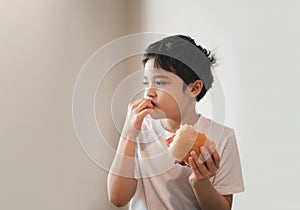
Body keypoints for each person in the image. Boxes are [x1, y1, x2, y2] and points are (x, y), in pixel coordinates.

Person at [107, 35, 244, 210]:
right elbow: (117, 198)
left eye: (159, 82)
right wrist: (128, 134)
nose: (149, 92)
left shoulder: (222, 137)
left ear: (194, 88)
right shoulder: (139, 130)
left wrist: (201, 181)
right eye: (146, 83)